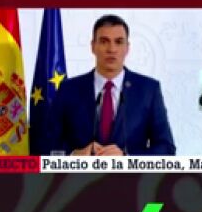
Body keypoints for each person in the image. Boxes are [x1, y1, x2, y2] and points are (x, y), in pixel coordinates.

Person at [47, 14, 176, 156]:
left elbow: (166, 149)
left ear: (127, 48)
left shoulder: (149, 90)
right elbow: (47, 144)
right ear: (93, 46)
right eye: (104, 41)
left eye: (119, 42)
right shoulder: (68, 90)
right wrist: (74, 155)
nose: (112, 49)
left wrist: (127, 159)